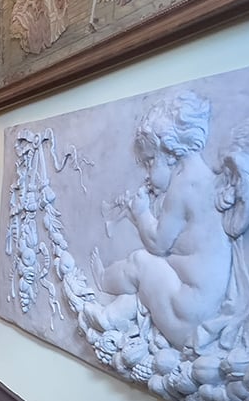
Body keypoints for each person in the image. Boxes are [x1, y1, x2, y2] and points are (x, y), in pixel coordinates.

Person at [90, 91, 232, 349]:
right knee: (146, 283)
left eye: (148, 162)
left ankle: (102, 281)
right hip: (195, 310)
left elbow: (157, 243)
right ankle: (112, 316)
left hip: (184, 314)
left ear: (169, 154)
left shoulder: (183, 186)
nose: (146, 174)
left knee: (140, 261)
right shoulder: (206, 181)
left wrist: (141, 212)